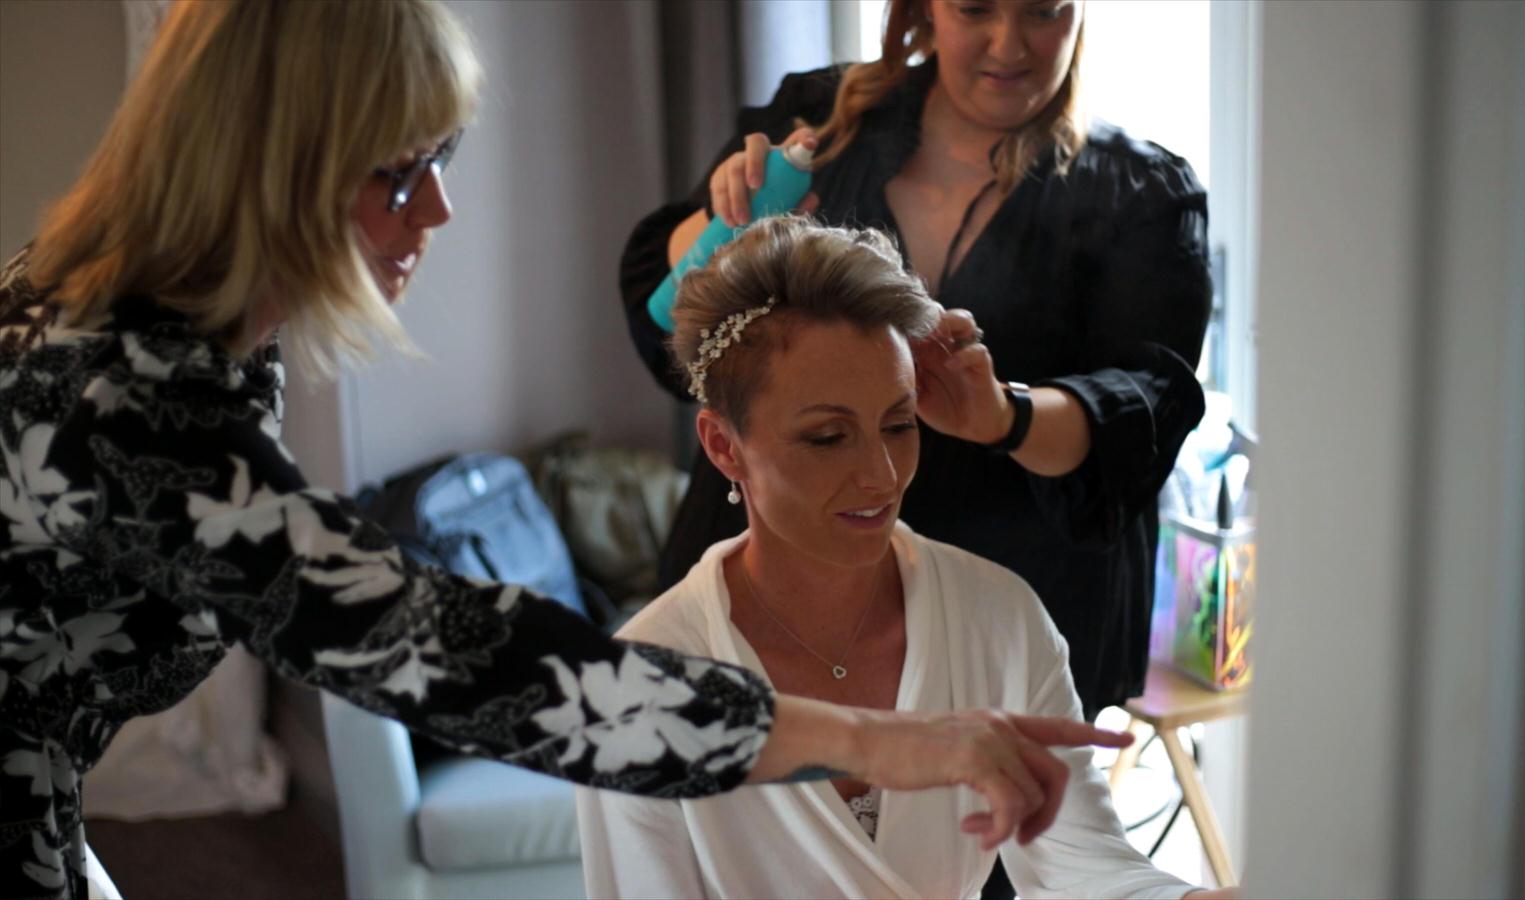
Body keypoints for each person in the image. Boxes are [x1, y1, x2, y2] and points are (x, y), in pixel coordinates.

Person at [0, 4, 1135, 898]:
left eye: (442, 156)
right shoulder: (115, 400)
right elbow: (455, 658)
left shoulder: (203, 344)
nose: (437, 209)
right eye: (396, 172)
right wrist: (890, 746)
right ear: (265, 167)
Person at [580, 215, 1222, 899]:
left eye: (898, 424)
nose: (882, 476)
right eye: (828, 437)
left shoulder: (997, 618)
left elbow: (1085, 869)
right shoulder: (642, 682)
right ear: (723, 446)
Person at [621, 0, 1210, 722]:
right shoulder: (819, 124)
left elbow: (1145, 413)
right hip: (774, 596)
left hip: (1011, 599)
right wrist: (722, 227)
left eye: (1043, 11)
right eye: (975, 8)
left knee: (982, 826)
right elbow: (671, 336)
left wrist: (1004, 417)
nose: (1008, 43)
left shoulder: (1142, 196)